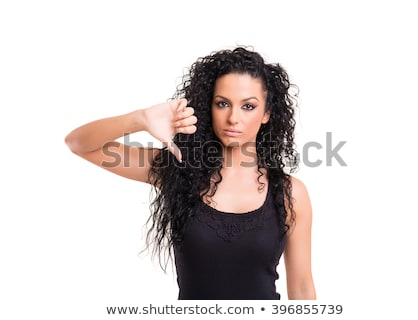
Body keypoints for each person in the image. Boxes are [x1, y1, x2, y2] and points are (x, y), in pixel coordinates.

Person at [65, 46, 316, 300]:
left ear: (267, 114)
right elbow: (79, 144)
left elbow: (302, 289)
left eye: (248, 106)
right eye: (222, 104)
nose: (233, 118)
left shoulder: (290, 193)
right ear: (209, 107)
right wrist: (140, 119)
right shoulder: (176, 169)